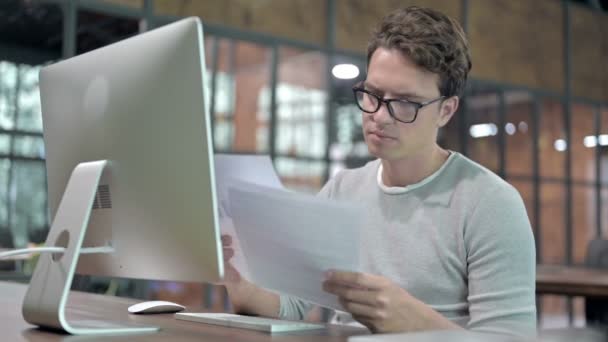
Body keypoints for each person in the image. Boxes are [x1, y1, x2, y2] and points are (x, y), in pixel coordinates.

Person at [220, 6, 536, 337]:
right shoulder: (342, 189)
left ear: (446, 109)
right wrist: (242, 284)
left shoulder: (490, 203)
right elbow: (291, 306)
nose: (380, 116)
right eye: (373, 94)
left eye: (405, 103)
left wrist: (415, 323)